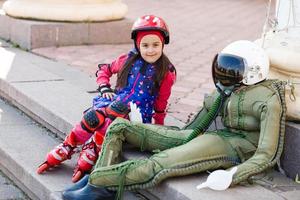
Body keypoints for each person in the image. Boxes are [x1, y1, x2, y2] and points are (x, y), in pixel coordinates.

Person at [62, 40, 286, 200]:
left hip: (236, 146)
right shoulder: (227, 90)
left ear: (253, 72)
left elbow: (267, 155)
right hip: (203, 135)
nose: (223, 75)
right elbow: (193, 128)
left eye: (232, 70)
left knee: (160, 163)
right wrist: (163, 135)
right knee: (120, 126)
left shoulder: (267, 101)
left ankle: (99, 179)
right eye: (222, 68)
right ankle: (102, 184)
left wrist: (233, 175)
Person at [36, 14, 177, 183]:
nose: (150, 50)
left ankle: (92, 148)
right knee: (95, 116)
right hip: (116, 103)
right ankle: (68, 146)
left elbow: (162, 102)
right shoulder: (128, 60)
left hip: (137, 114)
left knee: (111, 114)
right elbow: (104, 70)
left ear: (163, 44)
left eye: (156, 45)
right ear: (137, 45)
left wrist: (158, 128)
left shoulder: (166, 72)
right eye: (145, 45)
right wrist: (104, 87)